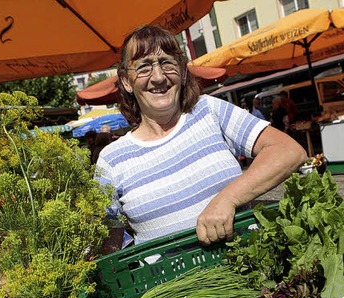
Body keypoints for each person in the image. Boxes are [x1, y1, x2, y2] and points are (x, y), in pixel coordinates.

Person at [95, 25, 306, 245]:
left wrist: (227, 199)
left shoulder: (209, 111)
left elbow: (289, 151)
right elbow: (109, 246)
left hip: (245, 264)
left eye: (167, 63)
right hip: (165, 279)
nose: (158, 77)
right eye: (144, 67)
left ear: (183, 71)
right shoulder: (111, 160)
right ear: (127, 81)